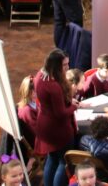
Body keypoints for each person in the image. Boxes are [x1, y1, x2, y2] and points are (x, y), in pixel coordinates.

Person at [34, 49, 79, 186]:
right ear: (56, 66)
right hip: (58, 130)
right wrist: (74, 106)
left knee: (51, 159)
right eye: (64, 65)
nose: (67, 68)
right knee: (63, 162)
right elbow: (60, 113)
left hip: (44, 126)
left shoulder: (39, 76)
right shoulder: (53, 86)